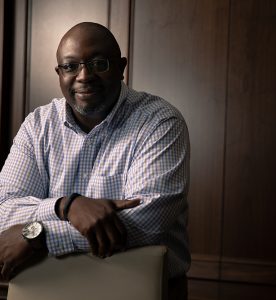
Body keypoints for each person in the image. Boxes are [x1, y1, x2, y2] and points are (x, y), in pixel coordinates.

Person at [0, 22, 190, 299]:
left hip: (138, 289)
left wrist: (38, 237)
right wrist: (67, 206)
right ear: (59, 72)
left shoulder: (159, 122)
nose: (84, 76)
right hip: (46, 288)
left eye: (99, 63)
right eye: (70, 66)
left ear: (122, 66)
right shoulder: (38, 125)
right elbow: (4, 209)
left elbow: (148, 222)